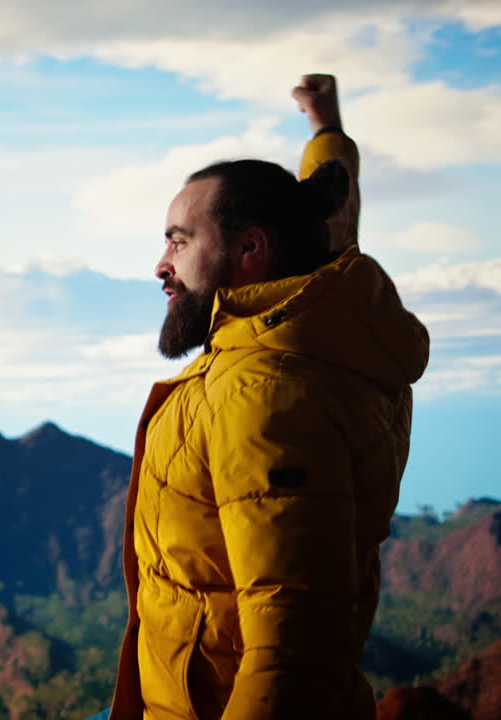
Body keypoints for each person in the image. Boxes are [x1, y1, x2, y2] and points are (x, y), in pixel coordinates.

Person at [100, 75, 431, 720]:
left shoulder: (265, 394)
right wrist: (325, 128)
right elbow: (333, 215)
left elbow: (294, 646)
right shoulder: (315, 315)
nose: (160, 265)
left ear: (252, 249)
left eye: (178, 240)